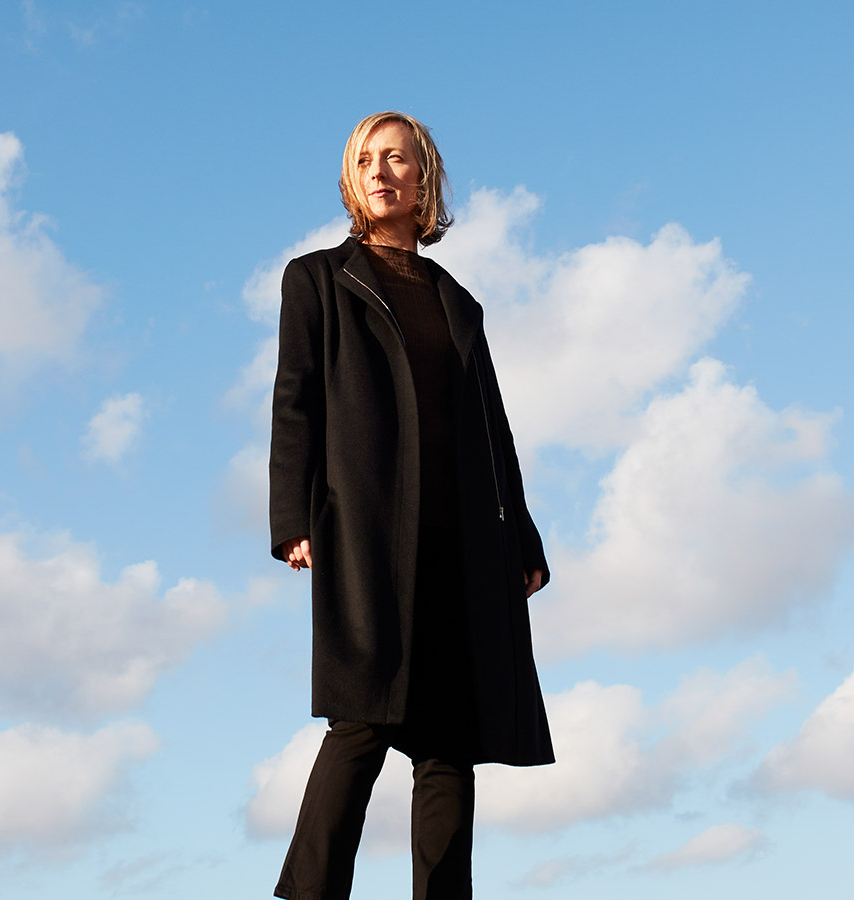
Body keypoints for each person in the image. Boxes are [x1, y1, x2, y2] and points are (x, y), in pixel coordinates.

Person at [268, 111, 554, 900]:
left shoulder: (459, 303)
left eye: (396, 158)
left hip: (462, 541)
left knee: (449, 743)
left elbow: (494, 430)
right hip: (365, 529)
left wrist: (522, 538)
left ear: (424, 177)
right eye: (366, 159)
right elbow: (294, 403)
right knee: (361, 719)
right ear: (352, 179)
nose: (380, 170)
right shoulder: (318, 279)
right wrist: (292, 517)